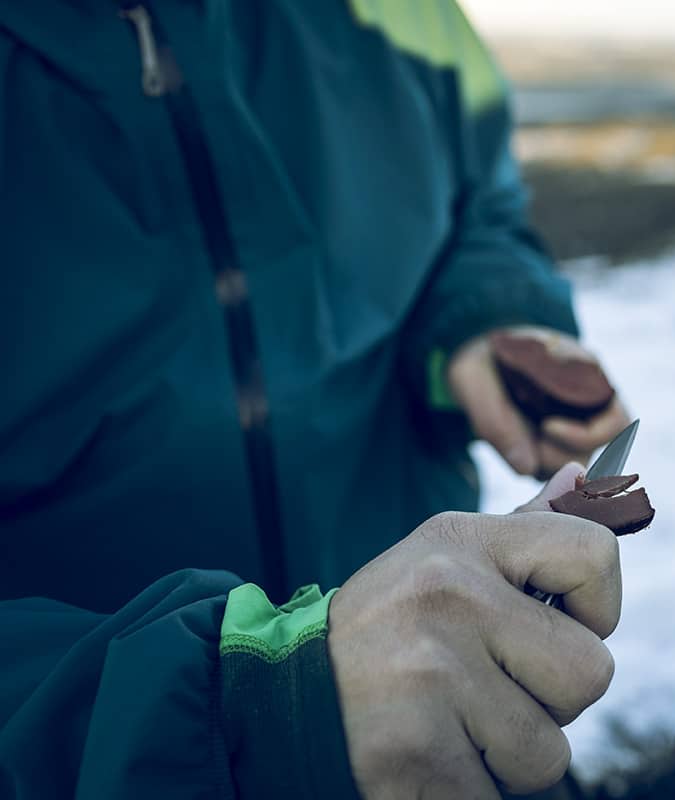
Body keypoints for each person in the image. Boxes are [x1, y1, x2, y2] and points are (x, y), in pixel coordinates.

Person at [0, 1, 629, 796]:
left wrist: (483, 324)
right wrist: (243, 716)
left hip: (458, 725)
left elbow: (482, 211)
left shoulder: (404, 18)